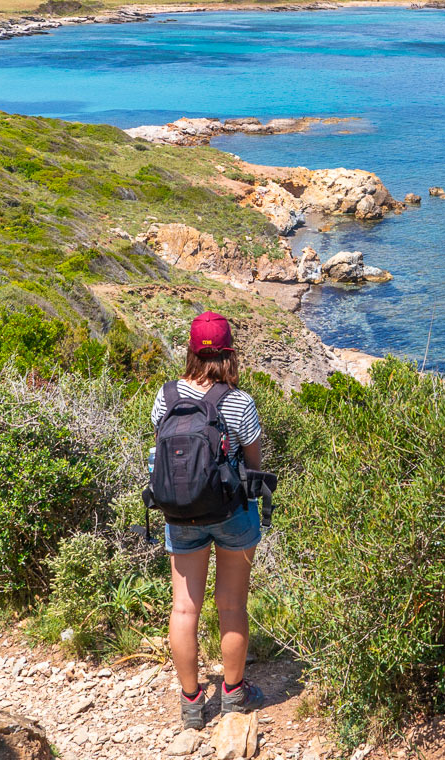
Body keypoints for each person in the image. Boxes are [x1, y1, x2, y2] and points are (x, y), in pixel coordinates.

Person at [152, 311, 265, 728]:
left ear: (191, 351)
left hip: (179, 511)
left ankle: (192, 703)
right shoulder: (240, 402)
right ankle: (234, 694)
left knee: (184, 609)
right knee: (232, 604)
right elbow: (253, 464)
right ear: (230, 353)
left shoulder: (165, 396)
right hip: (231, 512)